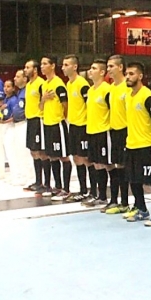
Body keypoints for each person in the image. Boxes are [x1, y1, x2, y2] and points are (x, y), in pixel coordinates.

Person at [123, 62, 151, 226]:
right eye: (127, 73)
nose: (128, 76)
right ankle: (142, 210)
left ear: (140, 76)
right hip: (131, 144)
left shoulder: (148, 96)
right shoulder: (128, 95)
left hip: (147, 145)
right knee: (134, 180)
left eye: (132, 74)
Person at [55, 55, 90, 202]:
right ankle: (83, 190)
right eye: (63, 65)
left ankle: (90, 190)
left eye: (66, 65)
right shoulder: (69, 84)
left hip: (83, 126)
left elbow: (90, 104)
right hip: (73, 125)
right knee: (76, 158)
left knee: (85, 159)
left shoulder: (82, 84)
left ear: (74, 67)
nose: (63, 68)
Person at [99, 55, 131, 213]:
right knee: (116, 166)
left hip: (127, 131)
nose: (109, 69)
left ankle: (125, 202)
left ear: (120, 67)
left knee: (125, 167)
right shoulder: (111, 89)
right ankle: (115, 201)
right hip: (114, 132)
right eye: (108, 66)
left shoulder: (128, 86)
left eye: (111, 66)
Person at [39, 56, 71, 198]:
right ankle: (57, 186)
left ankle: (66, 188)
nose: (42, 66)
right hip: (47, 124)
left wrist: (61, 117)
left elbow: (65, 104)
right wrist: (43, 99)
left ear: (52, 66)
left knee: (63, 156)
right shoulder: (44, 85)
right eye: (41, 64)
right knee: (52, 156)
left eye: (45, 64)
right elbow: (40, 106)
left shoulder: (58, 84)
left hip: (57, 124)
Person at [84, 59, 112, 207]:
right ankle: (97, 195)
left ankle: (105, 196)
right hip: (91, 131)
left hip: (103, 132)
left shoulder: (107, 89)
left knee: (104, 164)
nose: (90, 70)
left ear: (102, 72)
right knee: (95, 164)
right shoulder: (90, 90)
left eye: (94, 68)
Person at [22, 59, 51, 194]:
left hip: (39, 119)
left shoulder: (41, 83)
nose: (25, 70)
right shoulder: (28, 85)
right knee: (33, 151)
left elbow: (44, 101)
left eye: (28, 67)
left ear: (34, 69)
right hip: (30, 119)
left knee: (42, 151)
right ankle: (38, 181)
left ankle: (46, 183)